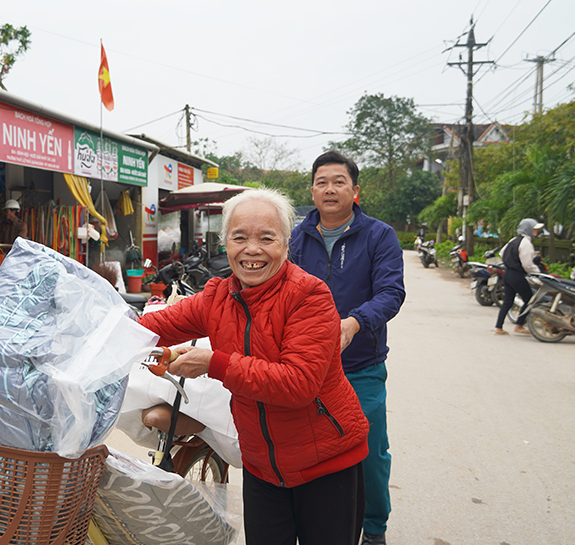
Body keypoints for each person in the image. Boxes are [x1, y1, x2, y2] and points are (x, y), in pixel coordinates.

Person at [139, 188, 370, 545]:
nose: (252, 249)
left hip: (326, 465)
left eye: (267, 238)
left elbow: (298, 385)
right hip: (263, 468)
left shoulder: (309, 296)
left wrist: (213, 363)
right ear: (225, 243)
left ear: (286, 243)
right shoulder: (217, 296)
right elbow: (151, 327)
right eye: (240, 237)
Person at [289, 150, 405, 545]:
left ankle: (374, 529)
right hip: (304, 369)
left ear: (355, 191)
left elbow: (391, 292)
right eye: (322, 182)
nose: (330, 189)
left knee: (369, 454)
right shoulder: (295, 238)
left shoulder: (379, 235)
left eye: (339, 181)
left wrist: (354, 323)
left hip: (360, 366)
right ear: (312, 190)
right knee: (305, 452)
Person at [494, 218, 543, 335]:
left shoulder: (513, 240)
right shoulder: (526, 243)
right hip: (518, 275)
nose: (536, 231)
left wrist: (511, 261)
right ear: (529, 229)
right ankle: (519, 325)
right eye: (534, 229)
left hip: (507, 274)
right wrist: (537, 272)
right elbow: (527, 264)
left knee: (507, 301)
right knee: (529, 299)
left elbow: (502, 252)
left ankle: (498, 327)